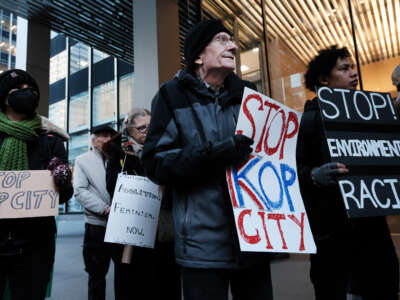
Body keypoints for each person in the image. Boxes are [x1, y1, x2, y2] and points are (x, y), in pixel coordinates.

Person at [142, 19, 273, 300]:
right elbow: (155, 163)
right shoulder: (170, 95)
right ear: (199, 55)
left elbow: (272, 159)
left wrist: (311, 175)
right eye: (223, 39)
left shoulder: (251, 95)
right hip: (201, 247)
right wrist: (214, 152)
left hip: (255, 240)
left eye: (232, 40)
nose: (234, 46)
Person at [296, 45, 399, 300]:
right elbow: (291, 171)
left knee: (383, 286)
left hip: (371, 227)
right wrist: (313, 174)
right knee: (332, 289)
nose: (354, 73)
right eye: (344, 69)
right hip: (331, 231)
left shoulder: (372, 113)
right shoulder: (307, 121)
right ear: (323, 79)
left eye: (353, 67)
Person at [0, 69, 73, 300]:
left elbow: (64, 196)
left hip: (35, 245)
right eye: (18, 90)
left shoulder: (51, 141)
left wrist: (62, 181)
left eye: (30, 90)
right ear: (4, 97)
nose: (26, 93)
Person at [103, 108, 180, 300]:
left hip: (163, 232)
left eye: (150, 126)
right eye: (141, 128)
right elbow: (112, 187)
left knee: (166, 283)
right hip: (132, 234)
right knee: (134, 285)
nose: (147, 130)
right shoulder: (119, 156)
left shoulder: (167, 150)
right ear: (129, 131)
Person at [73, 125, 130, 300]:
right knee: (96, 276)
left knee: (125, 276)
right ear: (93, 140)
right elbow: (80, 190)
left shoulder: (124, 158)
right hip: (97, 227)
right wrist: (105, 209)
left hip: (122, 227)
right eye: (102, 136)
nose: (107, 140)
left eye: (110, 136)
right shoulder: (82, 160)